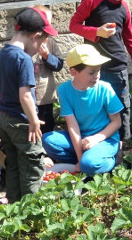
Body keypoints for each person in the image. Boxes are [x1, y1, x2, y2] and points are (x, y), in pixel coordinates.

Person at [69, 0, 132, 144]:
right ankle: (99, 141)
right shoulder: (91, 1)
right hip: (93, 68)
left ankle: (124, 143)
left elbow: (130, 39)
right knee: (96, 105)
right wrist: (97, 32)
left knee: (122, 105)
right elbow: (74, 25)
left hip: (117, 67)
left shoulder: (124, 7)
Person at [0, 6, 58, 202]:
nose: (40, 47)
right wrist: (34, 121)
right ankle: (31, 212)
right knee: (32, 167)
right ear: (36, 36)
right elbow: (25, 96)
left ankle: (15, 206)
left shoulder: (2, 54)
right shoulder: (23, 59)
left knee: (13, 164)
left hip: (5, 120)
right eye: (42, 41)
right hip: (23, 122)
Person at [42, 44, 123, 177]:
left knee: (88, 164)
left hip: (105, 138)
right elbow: (72, 126)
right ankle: (85, 162)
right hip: (82, 139)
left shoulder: (105, 88)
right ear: (74, 72)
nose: (97, 76)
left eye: (98, 71)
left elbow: (117, 122)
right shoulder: (64, 90)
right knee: (48, 140)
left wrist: (96, 138)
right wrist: (80, 157)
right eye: (91, 73)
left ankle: (111, 160)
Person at [32, 5, 65, 134]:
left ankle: (47, 146)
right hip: (30, 96)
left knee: (47, 124)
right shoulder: (26, 45)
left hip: (45, 96)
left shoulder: (50, 44)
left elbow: (59, 65)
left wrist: (47, 57)